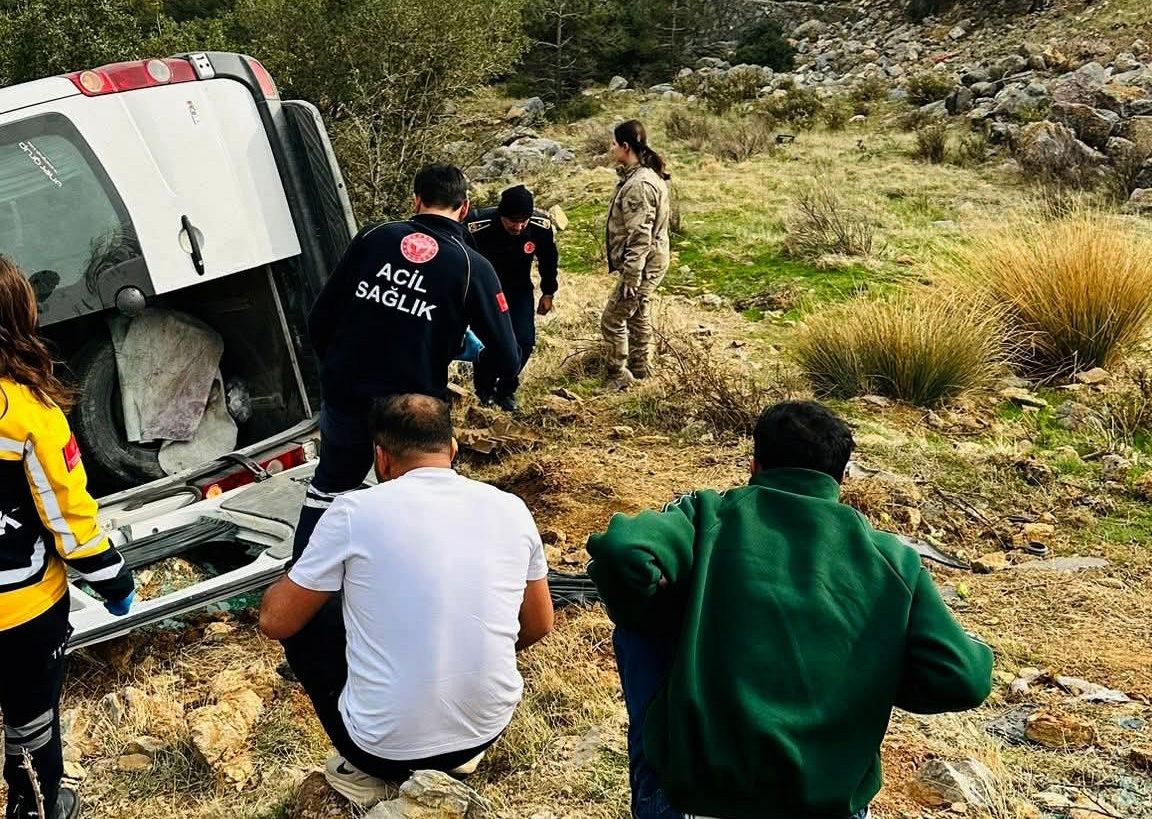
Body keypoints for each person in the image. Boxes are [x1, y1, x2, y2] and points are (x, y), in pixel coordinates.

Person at [587, 401, 994, 819]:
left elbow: (622, 552)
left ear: (755, 465)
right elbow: (963, 678)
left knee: (640, 628)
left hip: (702, 795)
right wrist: (875, 668)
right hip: (828, 803)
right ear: (840, 478)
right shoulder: (892, 558)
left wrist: (649, 604)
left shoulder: (709, 514)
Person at [260, 394, 553, 806]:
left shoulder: (352, 511)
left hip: (381, 751)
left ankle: (362, 770)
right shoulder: (512, 508)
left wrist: (292, 579)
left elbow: (276, 622)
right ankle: (449, 752)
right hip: (484, 731)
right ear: (452, 448)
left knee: (309, 611)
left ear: (381, 458)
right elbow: (539, 624)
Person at [297, 163, 521, 561]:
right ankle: (407, 577)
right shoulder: (472, 266)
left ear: (416, 200)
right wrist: (470, 360)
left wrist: (338, 367)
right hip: (414, 408)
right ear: (465, 208)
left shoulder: (373, 237)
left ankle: (305, 584)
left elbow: (320, 319)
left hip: (347, 390)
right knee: (418, 499)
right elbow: (507, 354)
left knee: (330, 489)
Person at [0, 258, 135, 819]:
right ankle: (35, 806)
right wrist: (114, 581)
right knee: (31, 718)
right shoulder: (28, 412)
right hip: (21, 610)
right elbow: (69, 522)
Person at [465, 185, 559, 412]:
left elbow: (548, 259)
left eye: (523, 221)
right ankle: (484, 390)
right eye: (512, 222)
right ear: (501, 215)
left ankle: (506, 390)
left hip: (518, 290)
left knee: (524, 342)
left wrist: (548, 292)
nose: (518, 227)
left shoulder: (540, 226)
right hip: (485, 292)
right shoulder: (477, 225)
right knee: (487, 343)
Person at [601, 120, 671, 391]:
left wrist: (631, 275)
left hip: (643, 264)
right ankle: (642, 368)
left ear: (625, 146)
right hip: (652, 260)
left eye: (615, 144)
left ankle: (618, 374)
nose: (612, 148)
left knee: (613, 318)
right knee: (638, 312)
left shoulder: (638, 185)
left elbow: (640, 235)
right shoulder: (644, 176)